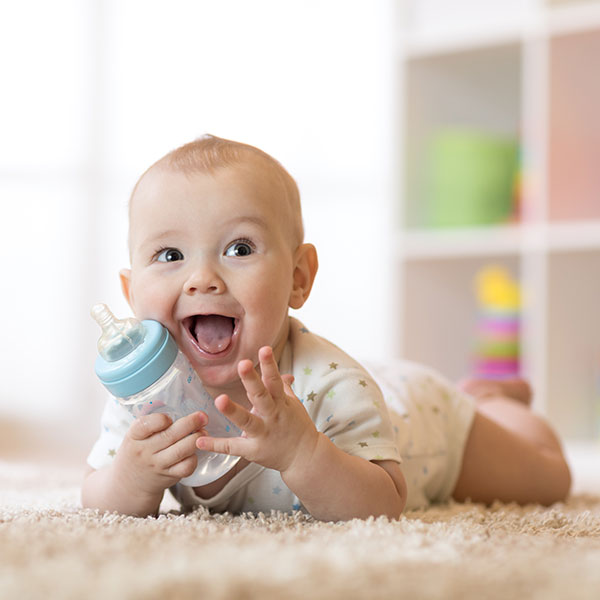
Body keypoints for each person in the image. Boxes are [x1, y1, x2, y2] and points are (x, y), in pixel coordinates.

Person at [82, 135, 571, 520]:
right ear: (130, 294)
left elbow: (384, 504)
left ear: (298, 279)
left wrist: (303, 453)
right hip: (382, 388)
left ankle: (492, 401)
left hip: (422, 421)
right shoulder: (147, 396)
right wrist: (131, 477)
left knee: (549, 479)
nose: (203, 279)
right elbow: (98, 494)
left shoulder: (331, 382)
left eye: (239, 249)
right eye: (169, 255)